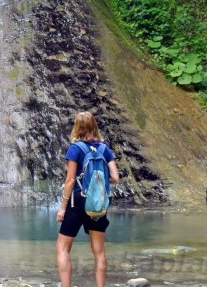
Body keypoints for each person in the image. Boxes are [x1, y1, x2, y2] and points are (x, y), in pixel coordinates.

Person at [56, 111, 120, 287]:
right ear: (94, 126)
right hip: (97, 201)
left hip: (77, 200)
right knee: (99, 251)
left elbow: (70, 180)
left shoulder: (75, 149)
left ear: (77, 127)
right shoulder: (104, 149)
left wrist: (62, 207)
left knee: (63, 248)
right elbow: (115, 177)